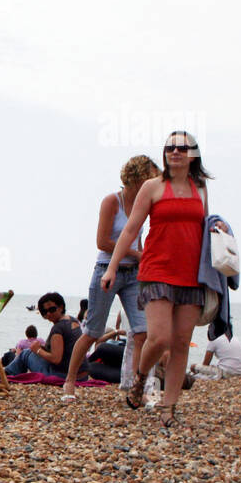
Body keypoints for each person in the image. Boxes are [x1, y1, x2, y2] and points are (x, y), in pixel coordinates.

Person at [102, 132, 219, 428]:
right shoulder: (152, 187)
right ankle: (141, 376)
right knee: (159, 338)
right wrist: (111, 268)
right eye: (170, 147)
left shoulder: (201, 188)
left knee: (180, 343)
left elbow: (203, 230)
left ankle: (169, 407)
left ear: (193, 154)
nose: (175, 152)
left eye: (182, 147)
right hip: (157, 270)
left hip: (192, 274)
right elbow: (130, 230)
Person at [62, 155, 159, 400]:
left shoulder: (144, 204)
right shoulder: (112, 201)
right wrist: (136, 253)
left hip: (134, 274)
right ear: (139, 177)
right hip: (107, 269)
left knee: (141, 332)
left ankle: (136, 387)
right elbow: (102, 241)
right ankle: (70, 380)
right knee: (92, 331)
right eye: (151, 177)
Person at [2, 292, 82, 377]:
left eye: (52, 309)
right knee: (28, 352)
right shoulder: (73, 321)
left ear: (61, 307)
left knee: (25, 354)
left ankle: (5, 374)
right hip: (80, 373)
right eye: (44, 311)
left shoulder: (58, 329)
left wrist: (37, 350)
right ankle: (7, 372)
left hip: (62, 374)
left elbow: (56, 359)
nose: (48, 314)